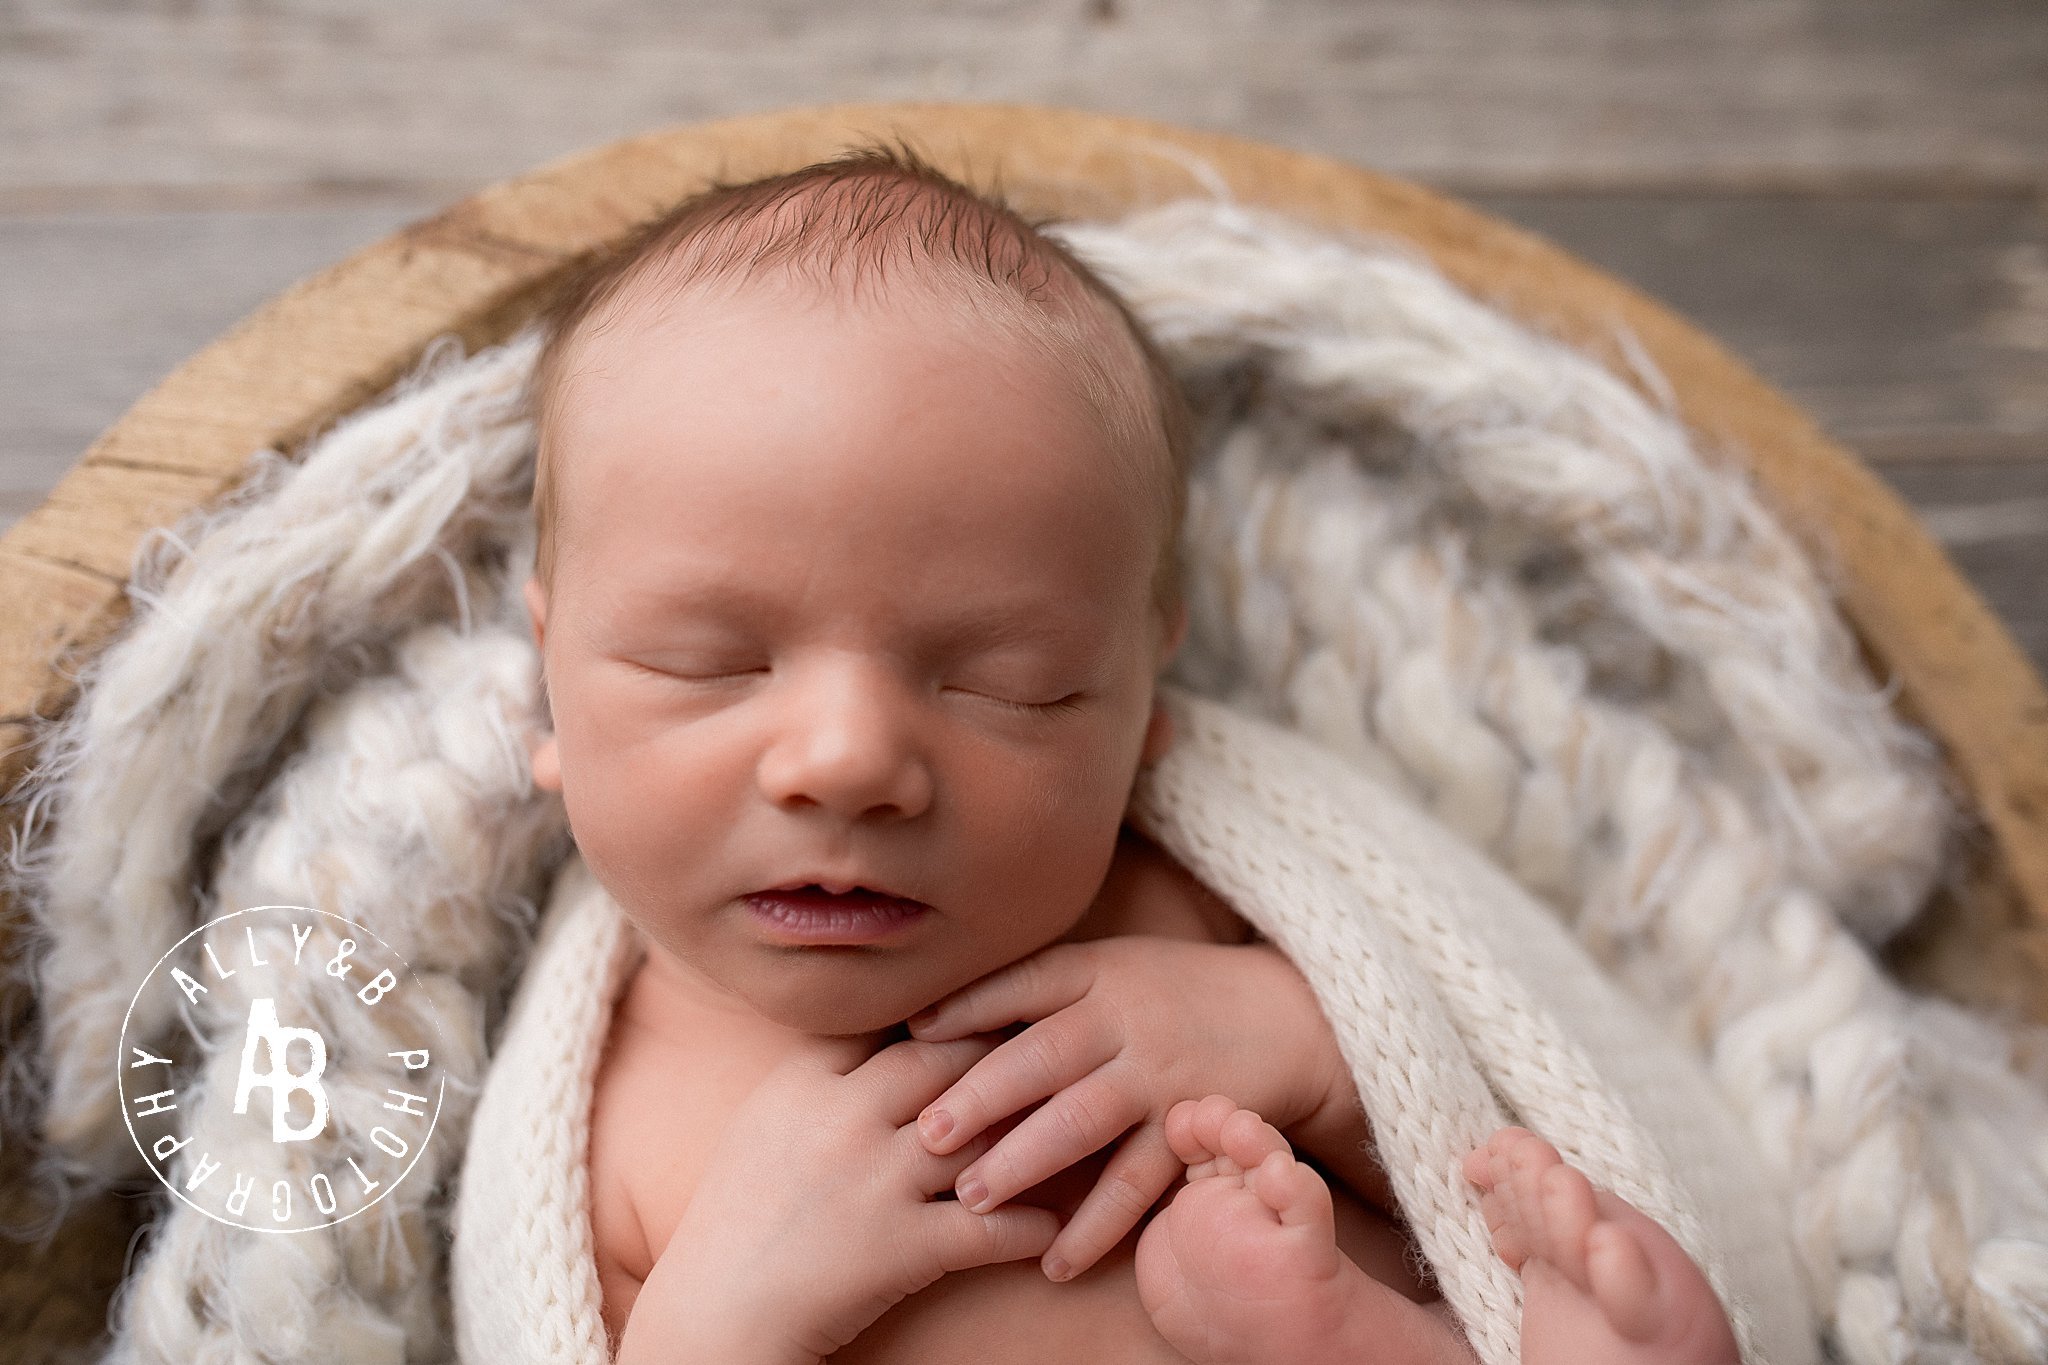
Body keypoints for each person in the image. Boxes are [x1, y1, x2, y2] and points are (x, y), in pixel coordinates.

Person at [516, 137, 1741, 1365]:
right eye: (708, 663)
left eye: (1011, 685)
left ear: (1141, 703)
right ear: (550, 679)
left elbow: (1487, 1102)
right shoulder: (607, 1126)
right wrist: (726, 1309)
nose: (845, 760)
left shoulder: (1178, 918)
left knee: (1578, 1259)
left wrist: (1309, 1048)